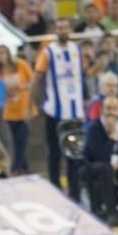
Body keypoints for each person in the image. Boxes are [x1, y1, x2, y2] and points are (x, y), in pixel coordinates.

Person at [32, 19, 84, 199]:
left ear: (70, 29)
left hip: (75, 112)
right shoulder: (48, 52)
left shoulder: (77, 50)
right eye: (60, 28)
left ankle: (75, 193)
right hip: (54, 111)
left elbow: (81, 78)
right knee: (54, 153)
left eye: (66, 27)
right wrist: (31, 103)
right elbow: (36, 78)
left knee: (75, 154)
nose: (63, 30)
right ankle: (55, 191)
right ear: (55, 31)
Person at [83, 95, 118, 224]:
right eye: (108, 108)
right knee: (105, 168)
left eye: (114, 108)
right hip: (94, 166)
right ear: (102, 109)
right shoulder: (94, 128)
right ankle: (111, 213)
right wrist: (111, 138)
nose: (111, 112)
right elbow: (98, 155)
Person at [0, 45, 33, 174]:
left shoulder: (21, 65)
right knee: (16, 141)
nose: (1, 56)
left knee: (21, 139)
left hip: (23, 108)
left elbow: (33, 81)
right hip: (10, 111)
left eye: (3, 53)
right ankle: (24, 168)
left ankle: (16, 168)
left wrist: (21, 86)